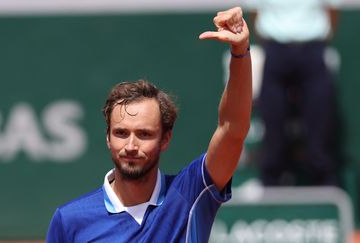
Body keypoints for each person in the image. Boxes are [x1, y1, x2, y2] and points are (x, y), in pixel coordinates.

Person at [46, 6, 251, 243]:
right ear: (108, 138)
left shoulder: (191, 193)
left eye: (144, 134)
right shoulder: (70, 220)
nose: (130, 145)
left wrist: (240, 52)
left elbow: (232, 128)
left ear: (165, 138)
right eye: (121, 133)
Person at [248, 0, 340, 186]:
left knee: (319, 127)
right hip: (275, 51)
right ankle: (271, 187)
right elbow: (254, 10)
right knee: (273, 126)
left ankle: (325, 190)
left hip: (313, 51)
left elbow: (332, 9)